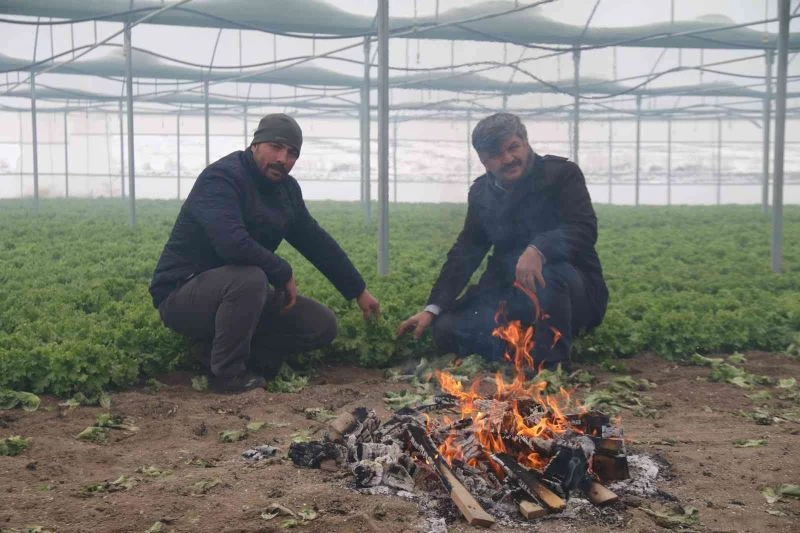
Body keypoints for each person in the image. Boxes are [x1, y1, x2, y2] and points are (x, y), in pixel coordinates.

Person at [149, 113, 380, 392]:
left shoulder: (286, 190)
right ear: (255, 144)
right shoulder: (222, 178)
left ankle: (216, 350)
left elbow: (315, 241)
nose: (283, 158)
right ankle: (227, 375)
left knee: (321, 324)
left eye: (292, 153)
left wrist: (358, 290)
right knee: (251, 278)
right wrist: (282, 271)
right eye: (276, 147)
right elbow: (231, 242)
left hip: (238, 296)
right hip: (182, 295)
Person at [397, 113, 607, 372]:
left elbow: (583, 228)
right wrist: (432, 308)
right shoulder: (481, 192)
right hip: (510, 292)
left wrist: (539, 250)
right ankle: (519, 349)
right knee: (446, 328)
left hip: (572, 292)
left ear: (526, 143)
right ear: (484, 160)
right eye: (496, 154)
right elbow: (467, 251)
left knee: (548, 274)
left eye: (513, 148)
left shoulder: (561, 175)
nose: (508, 159)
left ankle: (550, 367)